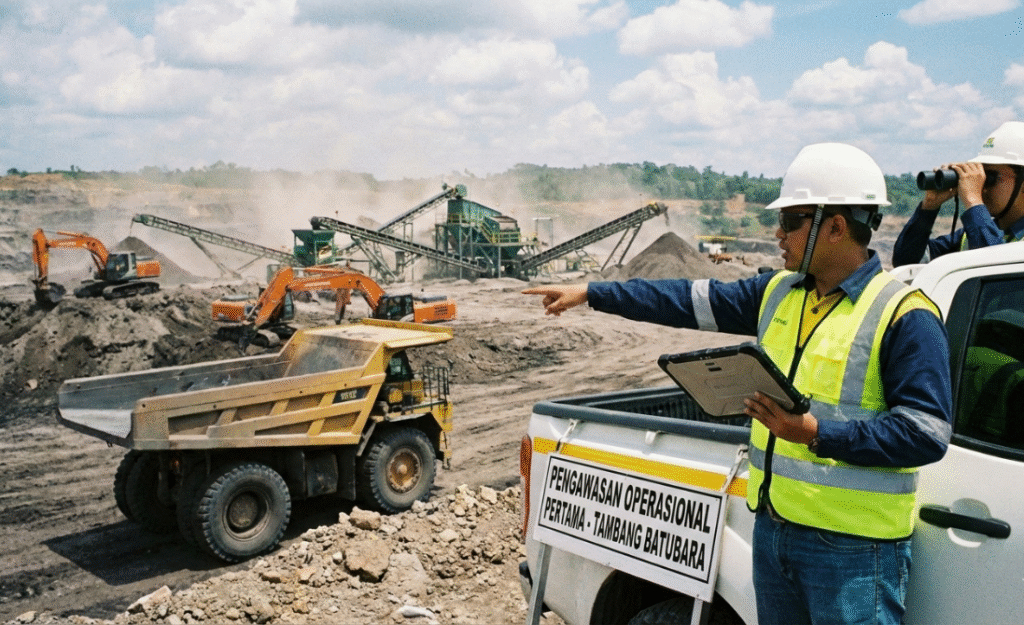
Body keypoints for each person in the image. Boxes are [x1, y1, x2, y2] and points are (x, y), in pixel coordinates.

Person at [523, 143, 952, 625]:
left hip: (852, 553)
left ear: (835, 227)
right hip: (774, 532)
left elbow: (926, 433)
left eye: (791, 221)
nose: (778, 233)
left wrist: (814, 433)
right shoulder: (778, 293)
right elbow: (684, 298)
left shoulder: (905, 315)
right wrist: (594, 292)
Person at [893, 121, 1024, 266]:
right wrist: (929, 208)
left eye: (990, 178)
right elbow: (906, 261)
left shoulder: (982, 234)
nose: (982, 187)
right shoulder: (971, 236)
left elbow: (997, 269)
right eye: (981, 176)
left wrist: (973, 200)